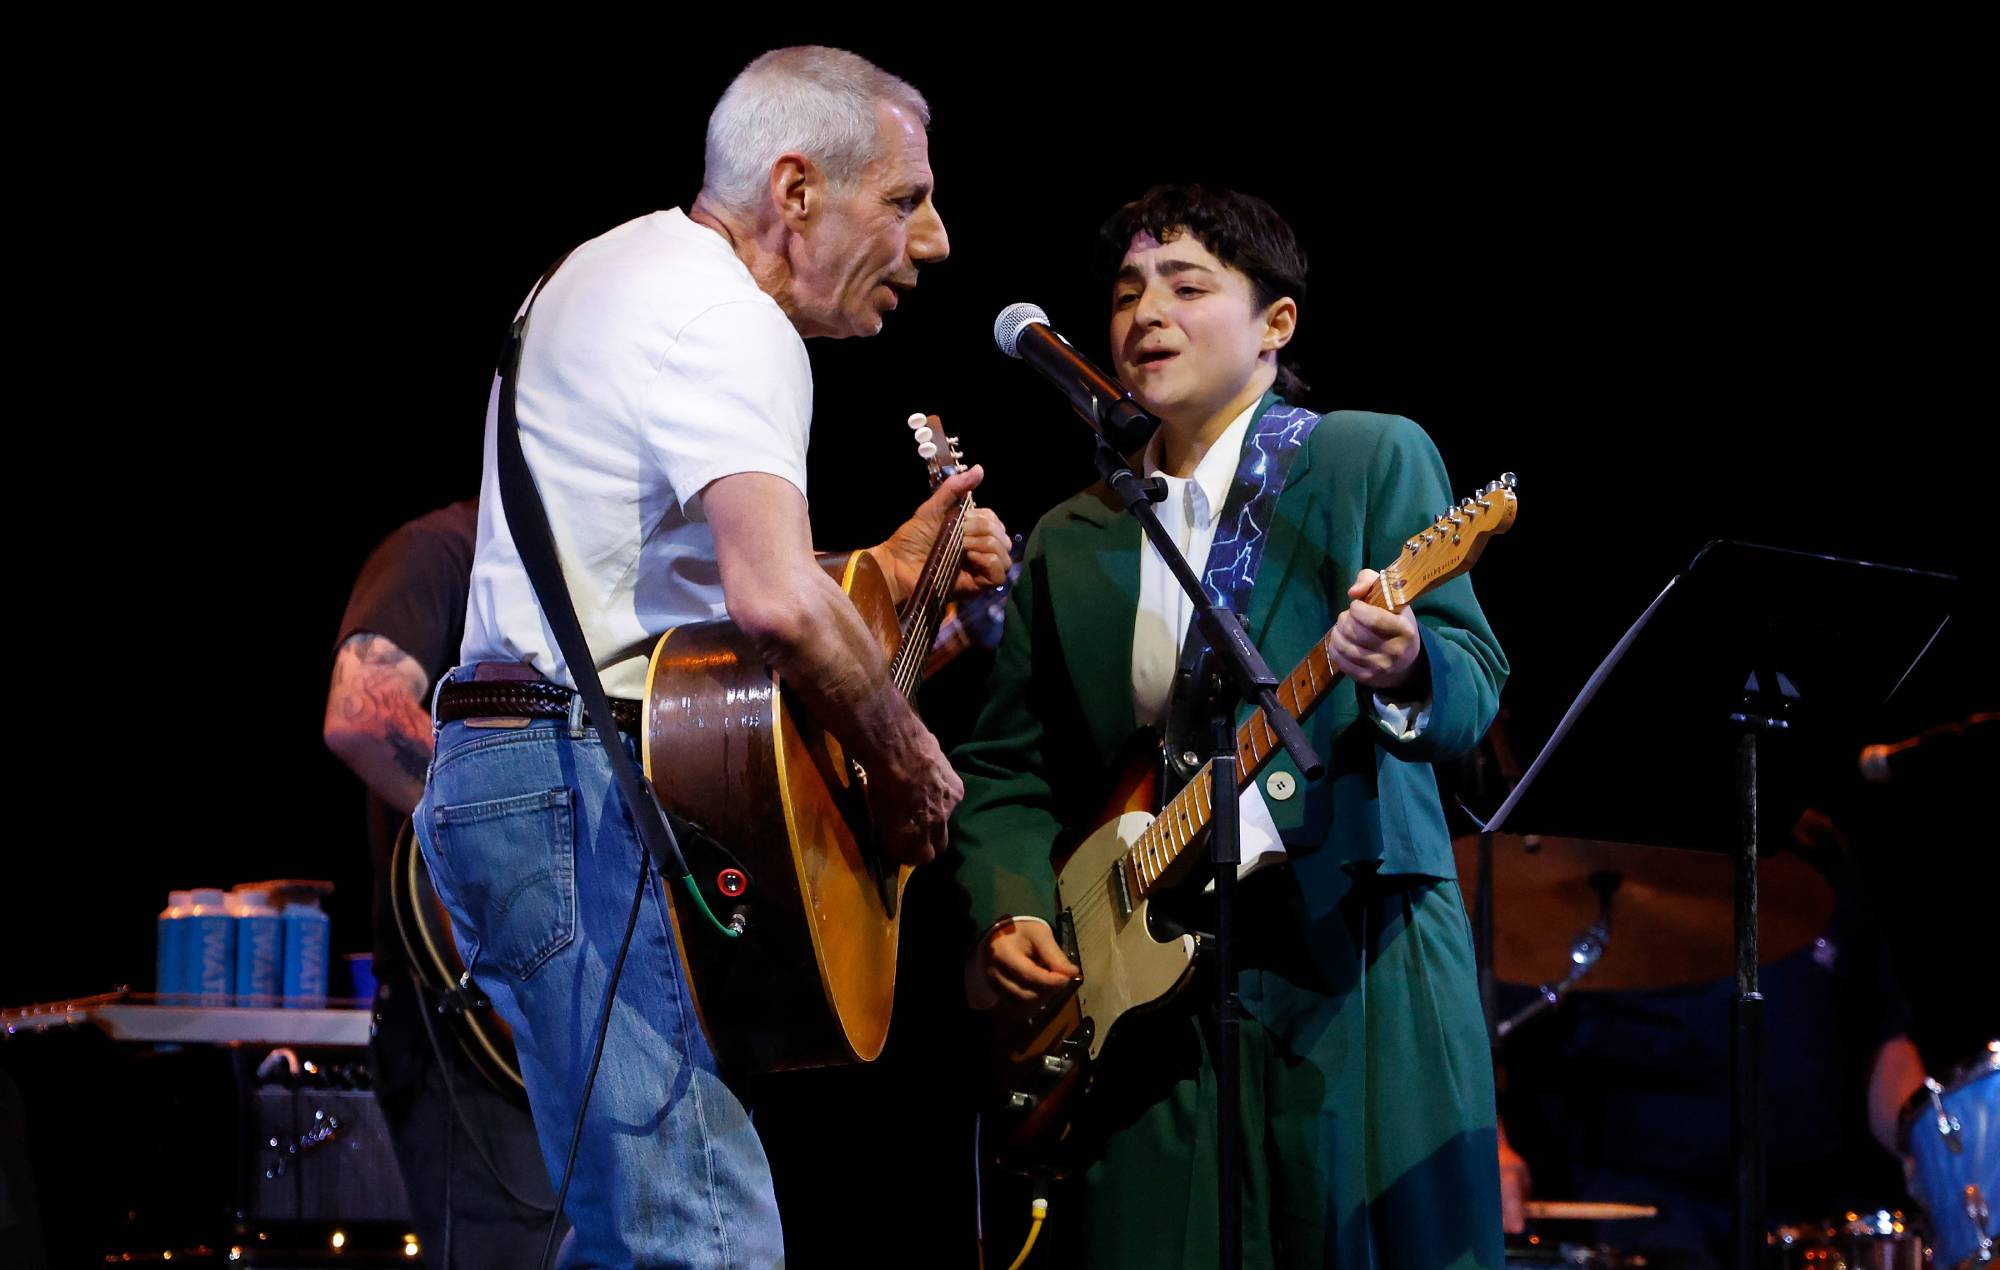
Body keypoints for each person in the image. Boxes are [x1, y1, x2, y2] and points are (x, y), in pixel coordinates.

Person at [412, 46, 1008, 1267]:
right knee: (696, 1239)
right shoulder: (727, 317)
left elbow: (673, 596)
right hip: (574, 785)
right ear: (795, 191)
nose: (935, 241)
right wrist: (904, 763)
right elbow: (775, 603)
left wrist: (893, 570)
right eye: (904, 199)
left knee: (645, 1230)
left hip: (526, 775)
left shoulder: (605, 271)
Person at [948, 184, 1510, 1269]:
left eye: (1186, 284)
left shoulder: (1363, 456)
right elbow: (1004, 769)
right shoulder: (1074, 535)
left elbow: (1471, 677)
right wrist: (1009, 910)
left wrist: (1405, 665)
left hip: (1353, 950)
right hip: (1147, 1001)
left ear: (1275, 324)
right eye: (1123, 292)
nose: (1143, 312)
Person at [1492, 809, 1930, 1270]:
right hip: (1644, 1209)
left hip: (1813, 1208)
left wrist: (1940, 1150)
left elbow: (1884, 1039)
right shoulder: (1580, 853)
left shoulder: (1811, 842)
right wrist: (1493, 1150)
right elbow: (1477, 1037)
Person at [323, 498, 566, 1266]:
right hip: (465, 1026)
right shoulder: (441, 551)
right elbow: (361, 717)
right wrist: (527, 809)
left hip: (565, 1014)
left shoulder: (588, 581)